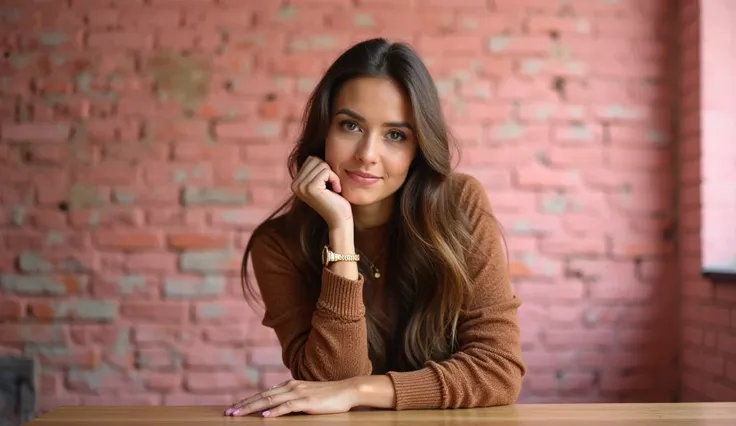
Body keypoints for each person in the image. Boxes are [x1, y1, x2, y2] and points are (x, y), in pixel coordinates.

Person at [224, 38, 525, 418]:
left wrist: (357, 391)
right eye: (350, 125)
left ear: (418, 149)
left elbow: (498, 371)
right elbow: (330, 377)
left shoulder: (459, 205)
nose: (367, 154)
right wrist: (341, 229)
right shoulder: (279, 244)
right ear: (323, 133)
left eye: (395, 135)